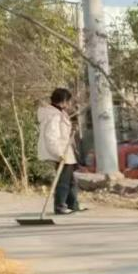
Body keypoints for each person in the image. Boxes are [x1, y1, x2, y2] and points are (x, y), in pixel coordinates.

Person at [37, 87, 85, 215]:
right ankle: (60, 206)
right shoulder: (53, 115)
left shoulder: (59, 112)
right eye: (68, 101)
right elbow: (51, 136)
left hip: (66, 151)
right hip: (60, 152)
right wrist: (58, 153)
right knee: (64, 181)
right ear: (63, 101)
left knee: (70, 180)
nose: (69, 103)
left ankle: (73, 204)